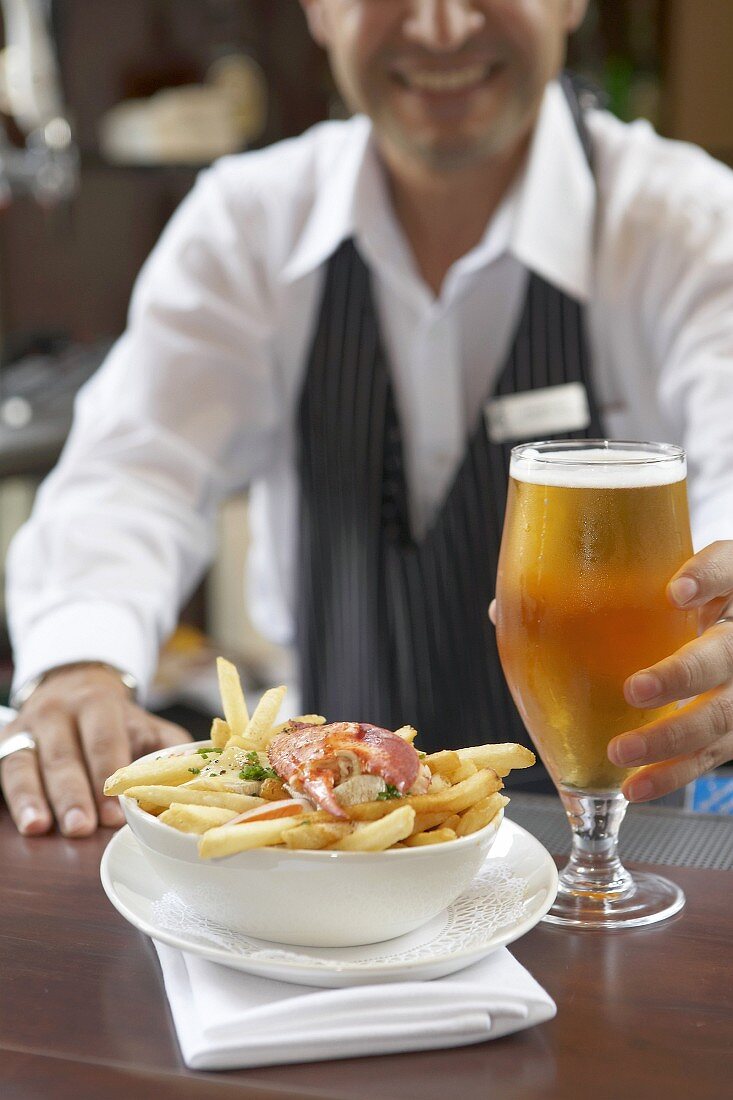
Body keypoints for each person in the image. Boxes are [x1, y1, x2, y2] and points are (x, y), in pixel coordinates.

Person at [1, 0, 732, 838]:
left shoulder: (691, 225)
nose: (443, 27)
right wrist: (80, 664)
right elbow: (134, 474)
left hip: (633, 859)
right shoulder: (250, 222)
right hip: (333, 865)